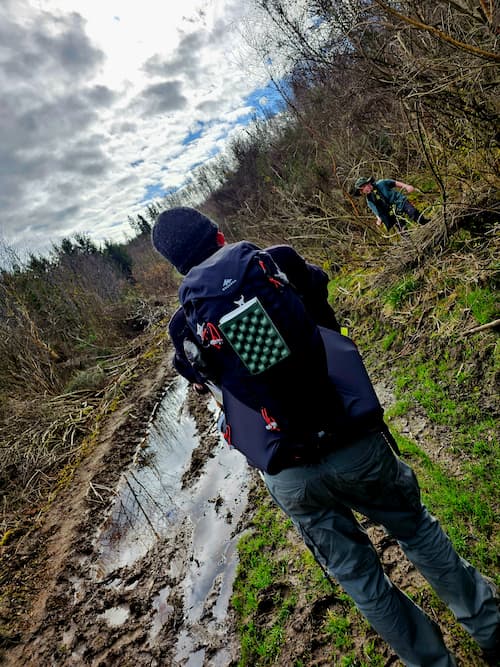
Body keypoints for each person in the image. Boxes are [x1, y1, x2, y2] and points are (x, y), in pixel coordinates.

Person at [151, 207, 499, 667]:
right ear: (218, 234)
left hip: (287, 470)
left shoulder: (183, 327)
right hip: (349, 436)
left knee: (361, 580)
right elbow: (322, 306)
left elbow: (208, 385)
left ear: (176, 266)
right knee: (416, 530)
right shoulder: (277, 262)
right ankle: (492, 632)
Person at [354, 176, 430, 231]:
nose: (364, 190)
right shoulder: (370, 200)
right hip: (392, 212)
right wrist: (379, 220)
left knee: (413, 213)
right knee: (402, 229)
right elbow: (377, 212)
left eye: (364, 187)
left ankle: (427, 225)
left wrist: (406, 186)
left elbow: (395, 183)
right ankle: (410, 244)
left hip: (400, 201)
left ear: (368, 184)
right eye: (362, 190)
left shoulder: (381, 183)